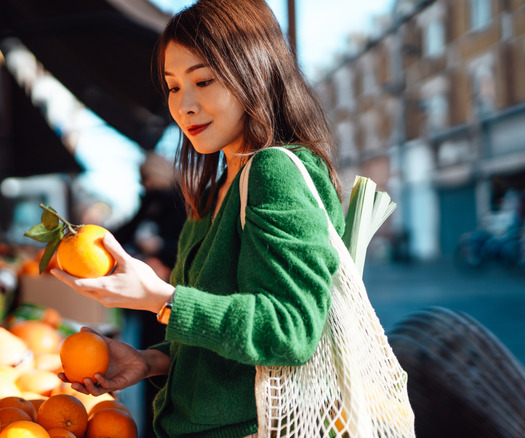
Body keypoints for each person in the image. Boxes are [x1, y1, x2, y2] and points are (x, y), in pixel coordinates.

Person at [51, 0, 345, 436]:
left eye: (203, 80)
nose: (184, 105)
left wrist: (162, 300)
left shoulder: (275, 172)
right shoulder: (214, 192)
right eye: (172, 86)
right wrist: (152, 359)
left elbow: (290, 330)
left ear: (255, 70)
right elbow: (231, 352)